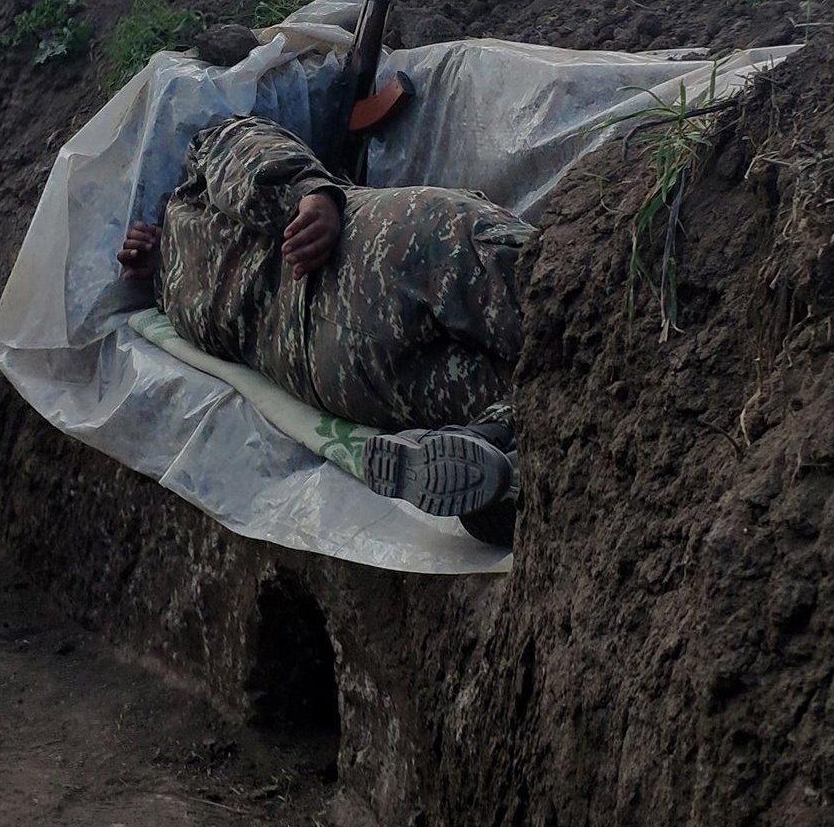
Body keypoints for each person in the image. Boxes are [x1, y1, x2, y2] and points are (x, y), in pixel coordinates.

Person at [118, 115, 530, 544]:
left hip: (330, 368)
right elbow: (240, 139)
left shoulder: (178, 302)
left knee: (517, 389)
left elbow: (244, 143)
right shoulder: (190, 199)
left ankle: (502, 454)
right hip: (371, 251)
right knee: (551, 304)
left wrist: (311, 197)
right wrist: (311, 194)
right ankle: (506, 452)